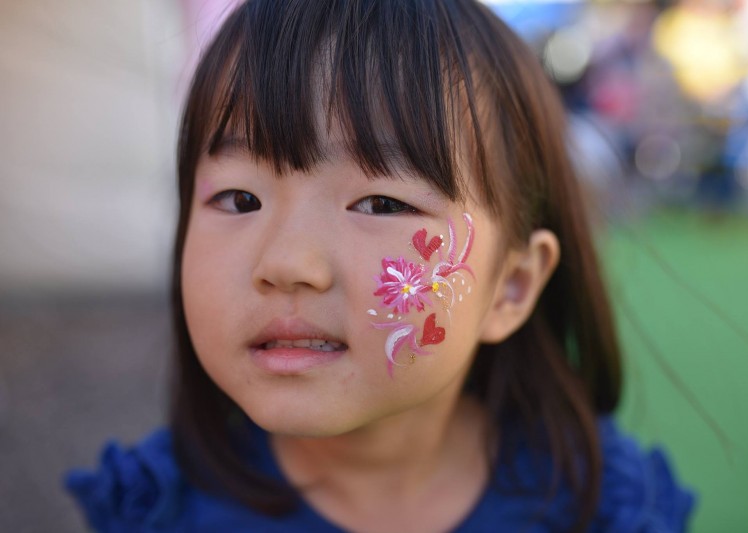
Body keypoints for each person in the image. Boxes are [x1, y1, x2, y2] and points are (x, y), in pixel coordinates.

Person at [64, 1, 694, 531]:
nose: (286, 263)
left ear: (512, 286)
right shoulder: (159, 511)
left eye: (382, 202)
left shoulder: (597, 507)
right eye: (239, 199)